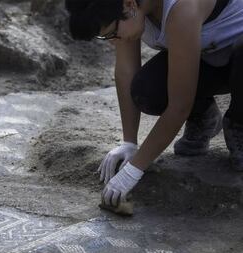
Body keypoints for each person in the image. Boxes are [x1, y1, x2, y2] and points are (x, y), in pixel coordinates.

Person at [65, 0, 243, 208]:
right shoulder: (125, 8)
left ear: (130, 5)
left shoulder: (181, 9)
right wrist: (129, 143)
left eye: (112, 34)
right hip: (208, 57)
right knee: (146, 91)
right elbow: (126, 72)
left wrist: (134, 169)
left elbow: (179, 106)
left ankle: (239, 124)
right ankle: (204, 116)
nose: (113, 42)